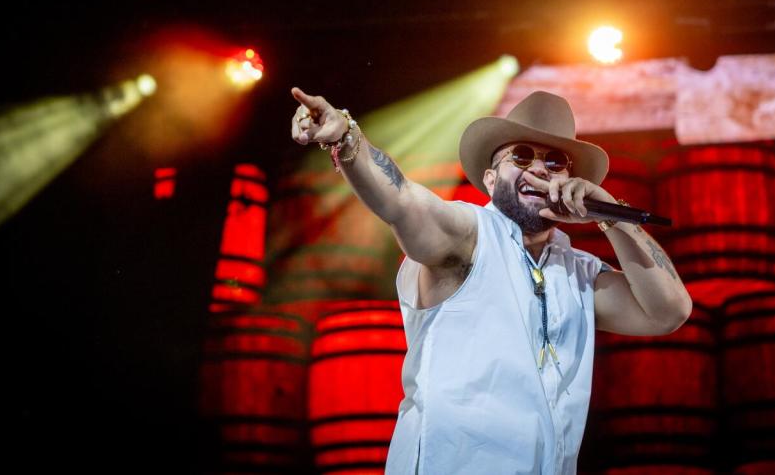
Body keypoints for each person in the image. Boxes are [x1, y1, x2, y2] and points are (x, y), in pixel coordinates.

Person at [290, 87, 691, 475]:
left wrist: (610, 214)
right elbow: (402, 202)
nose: (538, 168)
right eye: (521, 155)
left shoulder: (580, 272)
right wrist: (347, 137)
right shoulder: (468, 235)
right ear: (491, 179)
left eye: (555, 162)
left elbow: (669, 312)